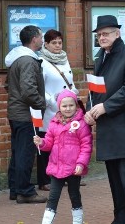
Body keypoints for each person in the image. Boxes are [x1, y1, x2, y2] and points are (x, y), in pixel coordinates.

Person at [84, 15, 125, 224]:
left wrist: (105, 107)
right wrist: (90, 110)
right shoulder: (100, 58)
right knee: (114, 180)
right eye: (99, 34)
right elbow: (95, 89)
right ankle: (120, 219)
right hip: (109, 128)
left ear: (117, 34)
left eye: (106, 33)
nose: (102, 37)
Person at [33, 90, 92, 224]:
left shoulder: (81, 124)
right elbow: (48, 144)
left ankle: (78, 221)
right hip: (56, 166)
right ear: (59, 107)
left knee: (74, 194)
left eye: (71, 105)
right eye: (64, 106)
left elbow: (86, 146)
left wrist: (81, 164)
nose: (68, 108)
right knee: (53, 196)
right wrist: (41, 142)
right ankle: (46, 222)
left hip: (73, 168)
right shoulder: (54, 123)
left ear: (76, 106)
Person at [5, 24, 48, 204]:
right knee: (26, 152)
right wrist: (42, 104)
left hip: (16, 112)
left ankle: (15, 188)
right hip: (25, 114)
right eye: (41, 36)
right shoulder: (28, 60)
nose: (42, 39)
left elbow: (8, 85)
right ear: (34, 40)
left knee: (18, 151)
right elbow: (29, 90)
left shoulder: (17, 58)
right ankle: (25, 192)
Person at [38, 29, 79, 193]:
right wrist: (52, 102)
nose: (57, 45)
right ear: (46, 44)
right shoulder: (41, 61)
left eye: (59, 42)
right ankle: (44, 179)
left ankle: (66, 175)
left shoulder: (64, 59)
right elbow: (40, 87)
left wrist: (73, 94)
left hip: (68, 110)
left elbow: (70, 81)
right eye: (53, 42)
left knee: (66, 144)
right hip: (51, 110)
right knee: (48, 144)